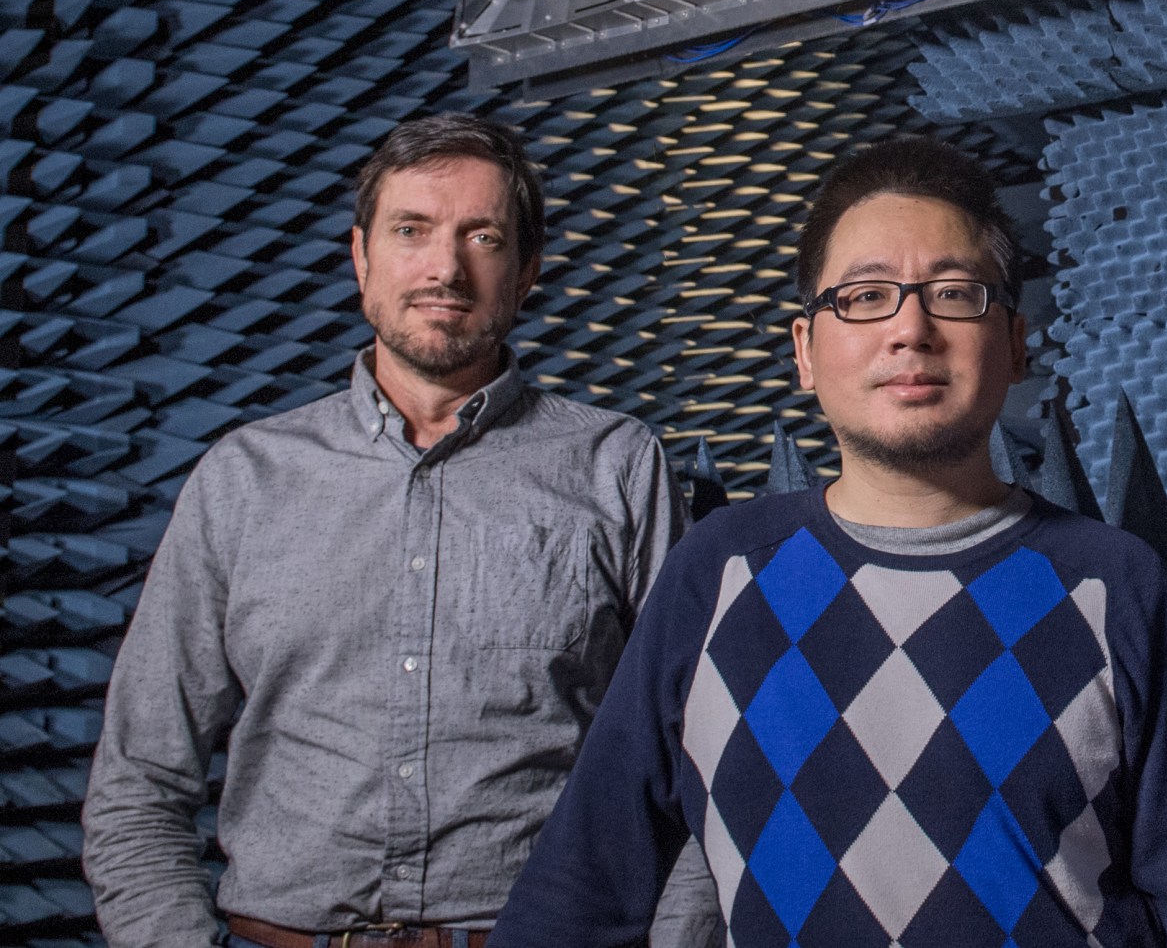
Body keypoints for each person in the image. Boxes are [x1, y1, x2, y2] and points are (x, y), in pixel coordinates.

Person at [493, 134, 1167, 947]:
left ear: (1014, 344)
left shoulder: (1114, 586)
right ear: (806, 351)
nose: (911, 328)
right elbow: (573, 898)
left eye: (953, 293)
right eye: (865, 297)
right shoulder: (718, 574)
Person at [82, 113, 717, 948]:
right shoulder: (244, 479)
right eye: (411, 230)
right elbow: (138, 784)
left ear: (527, 270)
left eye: (482, 236)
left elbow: (699, 767)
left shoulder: (618, 467)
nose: (444, 268)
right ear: (362, 259)